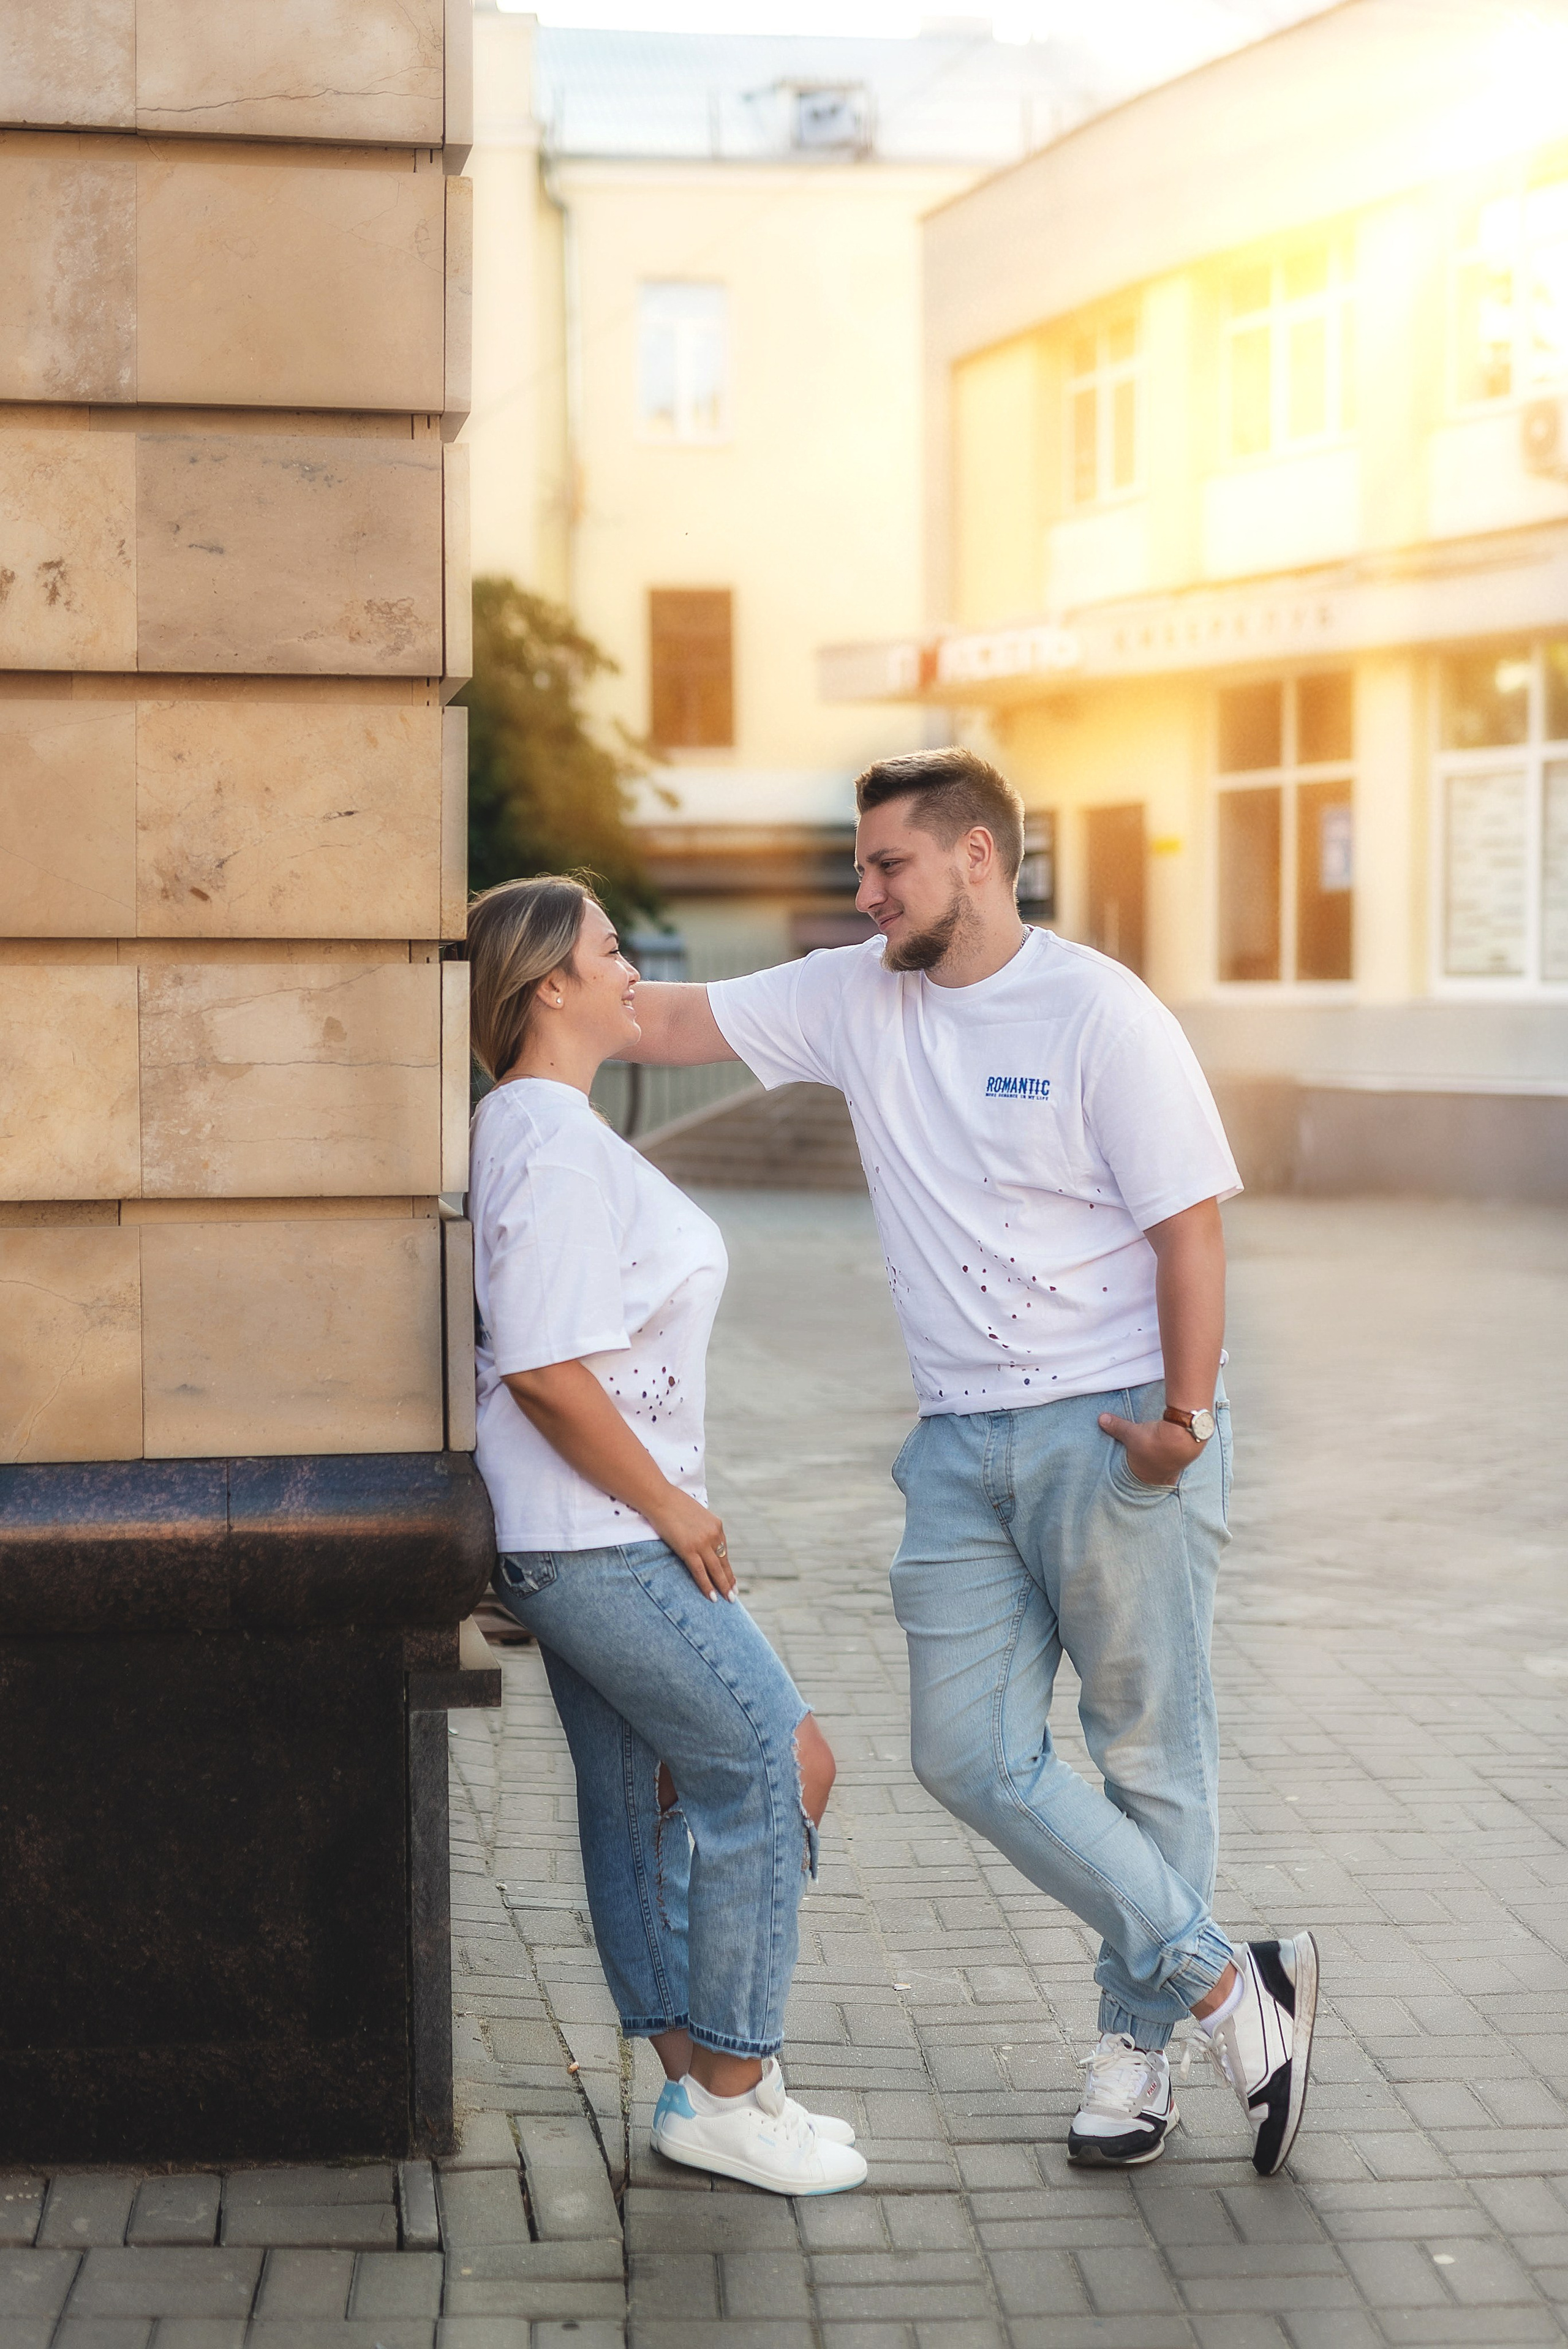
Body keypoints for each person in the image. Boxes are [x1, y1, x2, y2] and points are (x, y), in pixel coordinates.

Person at [624, 748, 1319, 2177]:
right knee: (962, 1751)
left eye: (888, 864)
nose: (864, 892)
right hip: (954, 1444)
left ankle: (1137, 2051)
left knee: (1145, 1749)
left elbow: (1188, 1227)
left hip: (1114, 1423)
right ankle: (1226, 1986)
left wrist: (1182, 1424)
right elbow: (665, 1017)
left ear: (977, 856)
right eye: (859, 866)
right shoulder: (849, 994)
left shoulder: (1096, 1011)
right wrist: (497, 955)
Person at [466, 873, 867, 2197]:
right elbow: (545, 1367)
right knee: (773, 1765)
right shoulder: (544, 1139)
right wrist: (672, 1505)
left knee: (639, 1804)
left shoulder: (541, 1128)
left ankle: (700, 2085)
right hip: (600, 1538)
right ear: (550, 986)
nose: (632, 967)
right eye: (609, 949)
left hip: (580, 1533)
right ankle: (733, 2092)